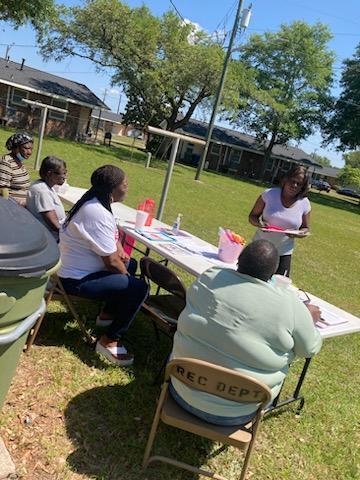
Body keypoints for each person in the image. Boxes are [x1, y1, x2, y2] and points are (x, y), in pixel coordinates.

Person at [170, 240, 322, 426]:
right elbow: (309, 349)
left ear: (238, 260)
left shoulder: (211, 276)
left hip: (181, 388)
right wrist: (309, 320)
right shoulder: (290, 305)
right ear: (273, 274)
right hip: (238, 412)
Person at [58, 165, 148, 366]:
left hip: (77, 270)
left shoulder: (95, 203)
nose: (127, 188)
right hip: (76, 280)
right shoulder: (96, 212)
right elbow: (112, 263)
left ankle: (106, 315)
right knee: (139, 287)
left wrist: (119, 249)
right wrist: (127, 279)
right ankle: (109, 340)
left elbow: (107, 240)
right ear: (112, 188)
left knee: (130, 263)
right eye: (124, 184)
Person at [248, 165, 311, 277]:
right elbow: (252, 216)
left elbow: (305, 229)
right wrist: (260, 224)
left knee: (279, 286)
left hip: (284, 252)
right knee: (248, 279)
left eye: (299, 184)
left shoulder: (304, 203)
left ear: (303, 187)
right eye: (293, 181)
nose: (294, 186)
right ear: (286, 179)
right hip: (260, 248)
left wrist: (298, 234)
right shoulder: (269, 194)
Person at [27, 156, 67, 241]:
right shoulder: (42, 191)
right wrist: (69, 237)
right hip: (49, 240)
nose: (65, 177)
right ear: (49, 174)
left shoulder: (47, 187)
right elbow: (53, 224)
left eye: (65, 173)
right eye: (62, 173)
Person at [0, 132, 33, 205]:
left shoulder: (19, 161)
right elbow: (3, 190)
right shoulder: (6, 162)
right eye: (26, 148)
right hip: (15, 207)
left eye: (31, 148)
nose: (30, 152)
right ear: (16, 148)